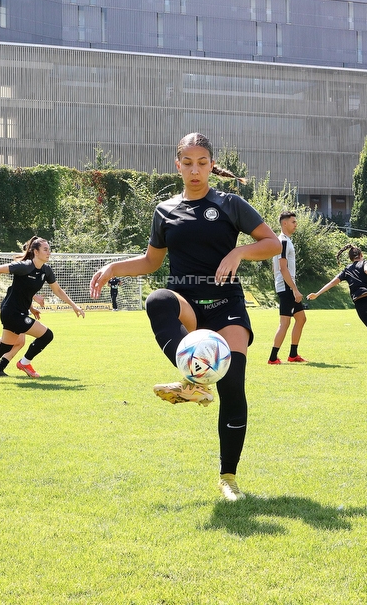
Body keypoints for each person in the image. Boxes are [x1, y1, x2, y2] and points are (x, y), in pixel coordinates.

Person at [89, 132, 280, 501]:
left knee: (233, 387)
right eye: (187, 163)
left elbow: (271, 243)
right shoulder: (164, 210)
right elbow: (151, 262)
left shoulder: (230, 203)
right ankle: (193, 382)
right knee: (158, 300)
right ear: (177, 165)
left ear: (212, 165)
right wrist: (114, 267)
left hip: (227, 308)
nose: (195, 170)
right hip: (188, 304)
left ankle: (228, 477)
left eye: (202, 163)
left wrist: (239, 252)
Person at [0, 237, 84, 382]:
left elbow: (57, 290)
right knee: (47, 335)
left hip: (18, 312)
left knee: (6, 347)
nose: (48, 252)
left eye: (49, 249)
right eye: (45, 249)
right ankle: (24, 363)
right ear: (36, 252)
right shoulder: (25, 266)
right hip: (12, 312)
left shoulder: (46, 270)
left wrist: (74, 306)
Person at [307, 243, 367, 361]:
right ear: (361, 255)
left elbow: (332, 283)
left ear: (350, 258)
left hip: (363, 304)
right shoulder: (366, 263)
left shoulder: (347, 270)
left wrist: (317, 294)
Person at [268, 210, 308, 364]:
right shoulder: (283, 241)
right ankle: (272, 358)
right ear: (284, 223)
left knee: (301, 318)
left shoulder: (286, 241)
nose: (296, 224)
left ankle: (293, 355)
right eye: (293, 222)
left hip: (287, 285)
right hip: (286, 287)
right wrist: (294, 289)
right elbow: (282, 268)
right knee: (285, 323)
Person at [0, 297, 44, 378]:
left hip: (19, 307)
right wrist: (35, 298)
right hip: (14, 308)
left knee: (19, 341)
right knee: (14, 341)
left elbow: (26, 292)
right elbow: (23, 289)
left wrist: (31, 307)